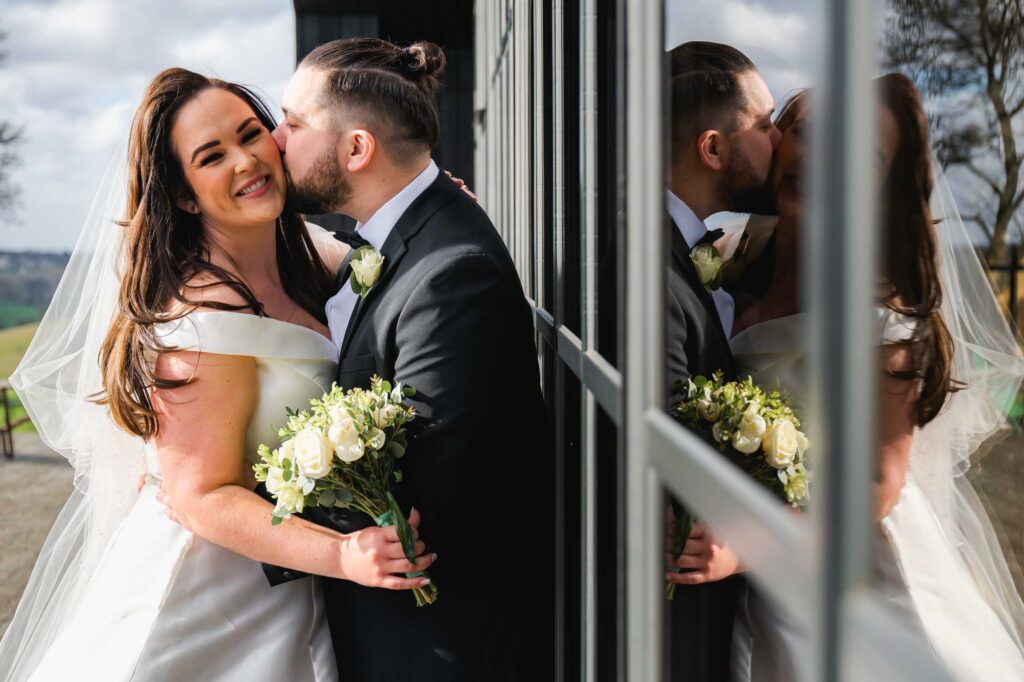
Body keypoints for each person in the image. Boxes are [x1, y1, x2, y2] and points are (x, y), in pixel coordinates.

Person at [0, 68, 438, 681]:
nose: (245, 160)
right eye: (211, 156)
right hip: (207, 605)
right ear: (183, 196)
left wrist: (433, 206)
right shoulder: (202, 318)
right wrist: (346, 554)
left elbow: (399, 244)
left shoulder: (306, 254)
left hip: (281, 587)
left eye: (250, 133)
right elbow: (198, 496)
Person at [259, 38, 555, 680]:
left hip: (438, 644)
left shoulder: (452, 274)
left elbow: (412, 496)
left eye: (295, 122)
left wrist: (225, 500)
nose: (276, 140)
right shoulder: (404, 235)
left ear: (357, 148)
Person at [723, 74, 1024, 680]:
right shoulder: (732, 258)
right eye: (808, 133)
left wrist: (749, 542)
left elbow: (878, 485)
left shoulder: (884, 311)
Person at [661, 41, 781, 682]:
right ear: (712, 148)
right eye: (763, 126)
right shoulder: (653, 269)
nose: (777, 138)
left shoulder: (682, 250)